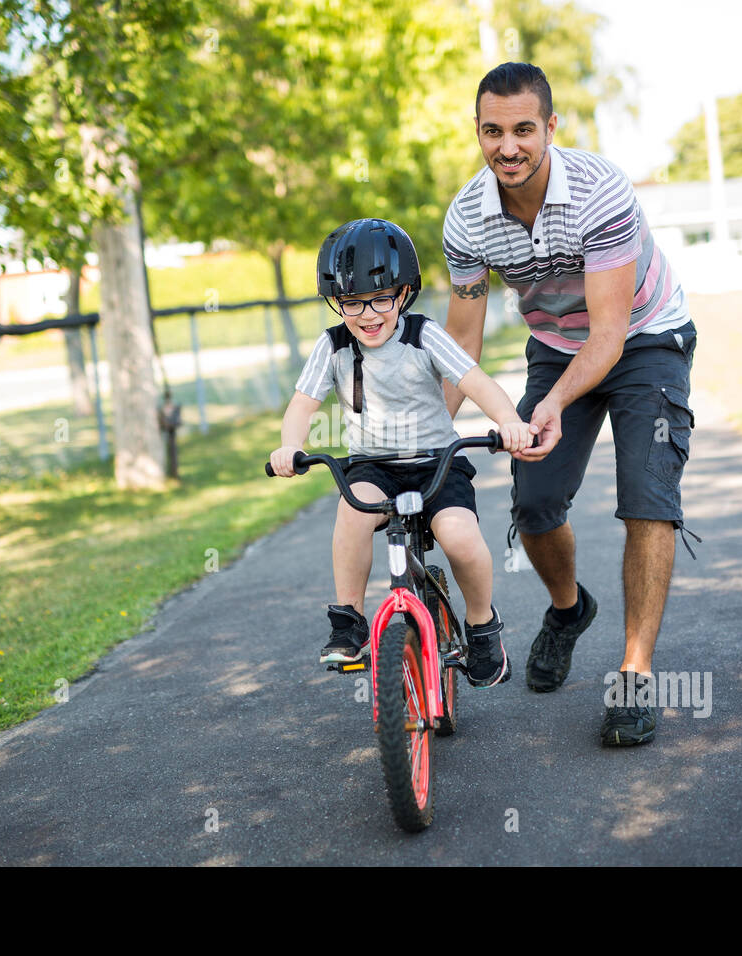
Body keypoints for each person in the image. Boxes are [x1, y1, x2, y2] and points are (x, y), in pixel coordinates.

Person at [441, 63, 700, 746]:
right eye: (493, 131)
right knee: (532, 500)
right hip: (557, 346)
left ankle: (635, 676)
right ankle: (567, 609)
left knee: (647, 498)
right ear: (477, 131)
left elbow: (610, 334)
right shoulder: (467, 217)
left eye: (524, 129)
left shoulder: (600, 192)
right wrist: (424, 433)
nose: (508, 146)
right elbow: (457, 348)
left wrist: (551, 404)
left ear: (550, 128)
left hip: (645, 338)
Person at [270, 218, 533, 687]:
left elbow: (475, 382)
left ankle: (481, 625)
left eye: (381, 299)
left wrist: (508, 421)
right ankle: (349, 621)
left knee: (459, 538)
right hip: (374, 466)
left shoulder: (423, 334)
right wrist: (290, 446)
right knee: (351, 513)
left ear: (405, 293)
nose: (368, 314)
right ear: (337, 303)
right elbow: (301, 406)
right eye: (351, 303)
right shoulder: (332, 346)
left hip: (436, 462)